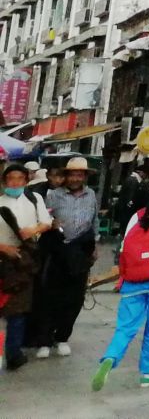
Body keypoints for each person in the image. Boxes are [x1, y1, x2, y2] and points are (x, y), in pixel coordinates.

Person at [90, 183, 149, 390]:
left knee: (125, 328)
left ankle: (110, 357)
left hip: (132, 283)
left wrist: (122, 279)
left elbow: (125, 250)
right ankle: (148, 373)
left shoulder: (137, 216)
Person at [27, 156, 97, 358]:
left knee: (75, 298)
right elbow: (44, 218)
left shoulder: (91, 195)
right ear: (66, 176)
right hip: (58, 250)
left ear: (84, 177)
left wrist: (95, 245)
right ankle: (44, 341)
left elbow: (94, 220)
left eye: (79, 174)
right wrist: (51, 224)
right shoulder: (53, 195)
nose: (76, 178)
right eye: (72, 174)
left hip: (81, 249)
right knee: (50, 297)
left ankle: (63, 337)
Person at [0, 158, 51, 370]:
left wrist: (34, 230)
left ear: (26, 180)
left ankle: (13, 353)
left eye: (19, 178)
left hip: (24, 261)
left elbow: (47, 222)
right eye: (11, 179)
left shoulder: (34, 198)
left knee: (18, 311)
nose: (15, 183)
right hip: (2, 258)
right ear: (4, 181)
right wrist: (4, 248)